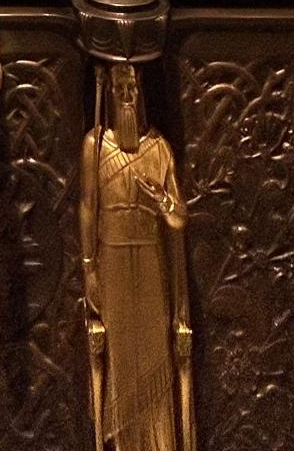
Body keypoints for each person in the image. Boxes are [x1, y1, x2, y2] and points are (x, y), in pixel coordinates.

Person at [80, 61, 194, 451]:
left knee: (155, 358)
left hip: (149, 261)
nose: (127, 96)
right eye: (120, 89)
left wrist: (162, 200)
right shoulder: (95, 146)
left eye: (132, 88)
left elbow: (179, 218)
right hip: (111, 260)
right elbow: (87, 208)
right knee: (120, 361)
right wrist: (89, 268)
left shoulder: (159, 148)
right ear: (109, 94)